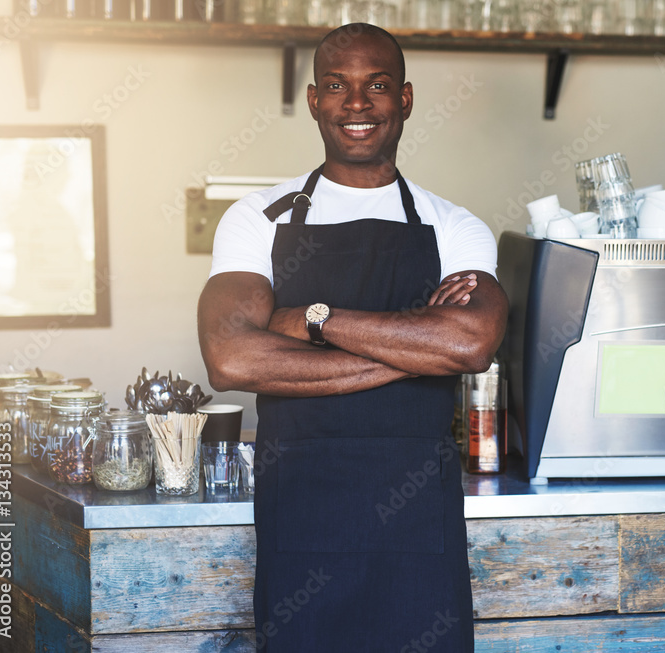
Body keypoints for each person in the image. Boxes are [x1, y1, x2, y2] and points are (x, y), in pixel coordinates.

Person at [197, 23, 507, 652]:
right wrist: (421, 351)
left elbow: (472, 345)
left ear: (406, 99)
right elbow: (230, 358)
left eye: (378, 86)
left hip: (419, 519)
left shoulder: (454, 225)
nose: (357, 103)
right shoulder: (259, 216)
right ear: (315, 101)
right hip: (303, 513)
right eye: (337, 85)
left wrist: (311, 318)